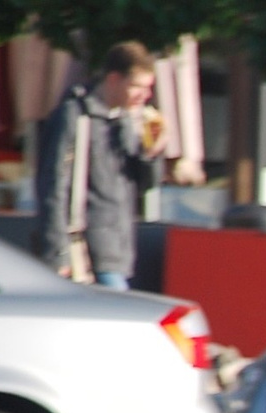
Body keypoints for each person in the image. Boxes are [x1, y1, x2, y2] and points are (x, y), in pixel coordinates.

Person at [33, 41, 166, 290]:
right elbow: (53, 184)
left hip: (119, 250)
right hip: (83, 250)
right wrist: (57, 252)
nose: (145, 96)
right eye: (137, 86)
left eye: (148, 88)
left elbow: (145, 186)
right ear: (114, 79)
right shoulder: (75, 115)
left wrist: (151, 153)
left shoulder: (127, 119)